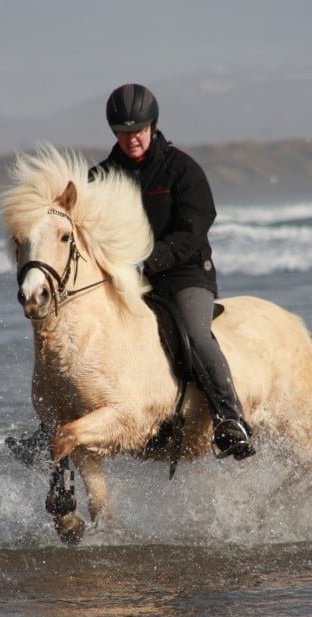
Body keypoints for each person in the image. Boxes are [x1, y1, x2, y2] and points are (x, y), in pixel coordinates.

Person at [92, 83, 254, 460]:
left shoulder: (182, 169)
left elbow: (194, 229)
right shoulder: (100, 177)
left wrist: (150, 261)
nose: (131, 139)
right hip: (129, 279)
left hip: (185, 274)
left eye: (138, 130)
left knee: (195, 335)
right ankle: (49, 428)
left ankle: (232, 419)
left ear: (153, 126)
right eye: (123, 132)